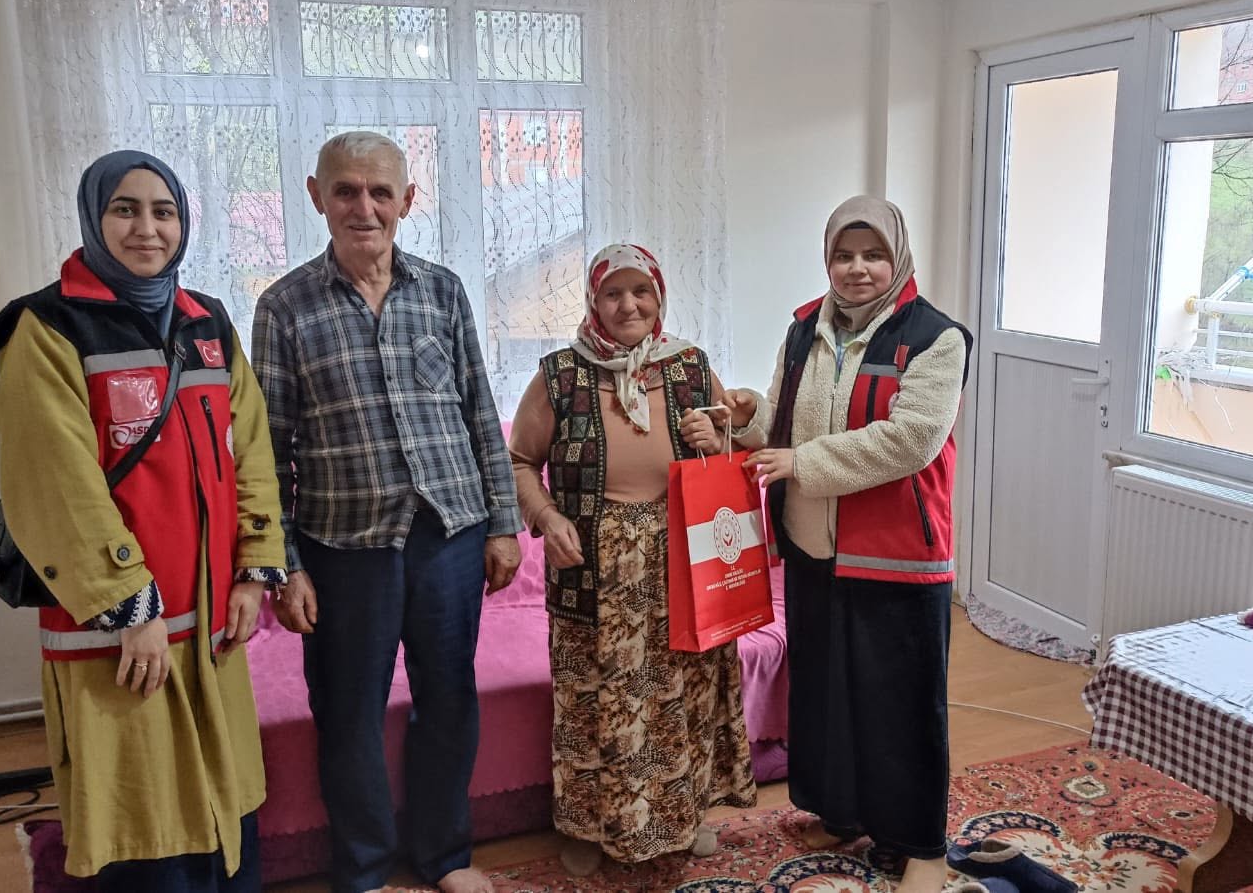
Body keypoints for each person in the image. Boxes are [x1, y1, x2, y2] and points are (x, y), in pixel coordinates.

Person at [0, 150, 286, 891]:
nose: (147, 228)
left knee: (225, 810)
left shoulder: (207, 322)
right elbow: (55, 483)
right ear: (94, 219)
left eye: (164, 211)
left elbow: (250, 449)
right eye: (124, 209)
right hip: (119, 632)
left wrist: (255, 569)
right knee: (142, 820)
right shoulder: (48, 328)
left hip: (211, 622)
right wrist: (130, 606)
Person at [252, 131, 522, 893]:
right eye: (345, 190)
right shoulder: (283, 307)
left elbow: (479, 411)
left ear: (407, 199)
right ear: (317, 196)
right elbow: (266, 450)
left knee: (449, 699)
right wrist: (285, 566)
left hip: (450, 535)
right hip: (343, 545)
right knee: (348, 709)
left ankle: (444, 855)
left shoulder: (442, 290)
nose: (363, 208)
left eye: (379, 192)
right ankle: (365, 867)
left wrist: (503, 523)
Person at [724, 196, 972, 893]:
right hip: (814, 548)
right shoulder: (805, 328)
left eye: (873, 254)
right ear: (826, 260)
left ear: (898, 257)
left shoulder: (936, 338)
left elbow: (911, 439)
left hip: (898, 555)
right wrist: (745, 416)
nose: (857, 268)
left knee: (902, 706)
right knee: (827, 694)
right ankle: (843, 813)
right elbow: (782, 418)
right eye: (843, 254)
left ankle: (920, 845)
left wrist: (801, 462)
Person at [507, 243, 758, 877]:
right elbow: (518, 461)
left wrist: (717, 438)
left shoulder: (689, 365)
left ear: (659, 296)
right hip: (593, 565)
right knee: (593, 697)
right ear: (594, 302)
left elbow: (738, 444)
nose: (628, 305)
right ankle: (590, 829)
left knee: (684, 694)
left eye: (640, 291)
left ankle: (684, 816)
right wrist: (547, 518)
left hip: (684, 559)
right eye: (613, 293)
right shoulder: (561, 374)